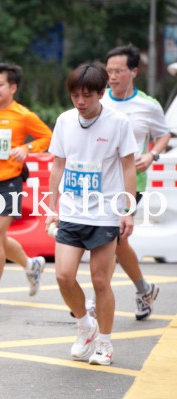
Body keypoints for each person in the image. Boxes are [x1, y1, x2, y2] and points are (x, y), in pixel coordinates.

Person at [46, 61, 137, 366]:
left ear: (101, 93)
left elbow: (127, 166)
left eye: (87, 95)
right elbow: (58, 164)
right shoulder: (64, 121)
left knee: (100, 282)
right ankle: (86, 325)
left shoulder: (118, 122)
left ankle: (106, 344)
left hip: (105, 214)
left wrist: (128, 210)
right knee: (63, 275)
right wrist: (50, 206)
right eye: (75, 95)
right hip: (72, 211)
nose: (81, 102)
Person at [0, 63, 52, 308]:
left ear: (13, 87)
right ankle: (31, 265)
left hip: (10, 182)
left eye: (0, 84)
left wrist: (26, 148)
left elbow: (47, 136)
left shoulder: (22, 115)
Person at [102, 44, 170, 320]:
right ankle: (143, 288)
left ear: (133, 72)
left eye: (119, 71)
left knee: (110, 239)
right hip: (98, 184)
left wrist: (152, 154)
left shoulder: (148, 105)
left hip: (131, 182)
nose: (113, 76)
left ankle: (99, 298)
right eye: (109, 71)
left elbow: (164, 134)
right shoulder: (99, 101)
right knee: (114, 242)